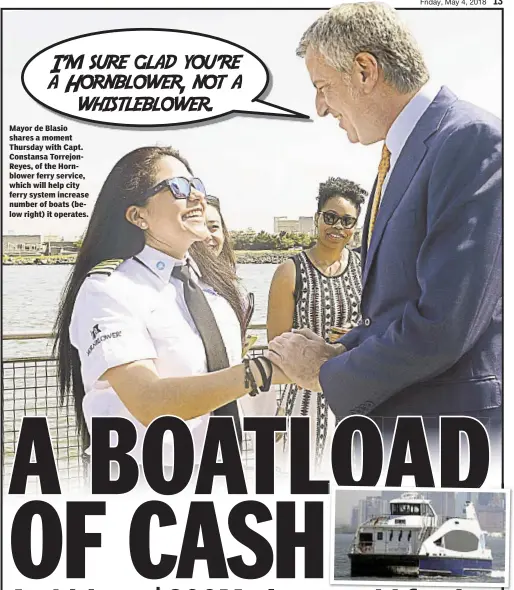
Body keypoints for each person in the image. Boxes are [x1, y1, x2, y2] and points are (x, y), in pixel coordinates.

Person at [268, 3, 502, 440]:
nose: (320, 108)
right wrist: (340, 348)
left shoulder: (470, 141)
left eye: (322, 87)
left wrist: (325, 371)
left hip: (449, 435)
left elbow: (444, 325)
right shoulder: (402, 155)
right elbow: (392, 312)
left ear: (364, 71)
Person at [53, 146, 284, 468]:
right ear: (138, 215)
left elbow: (221, 378)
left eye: (197, 186)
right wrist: (267, 370)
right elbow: (150, 402)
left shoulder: (212, 288)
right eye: (178, 188)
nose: (197, 199)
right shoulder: (108, 290)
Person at [267, 177, 365, 468]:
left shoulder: (366, 266)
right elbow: (277, 345)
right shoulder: (290, 271)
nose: (337, 227)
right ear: (318, 218)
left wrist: (353, 337)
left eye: (347, 221)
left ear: (355, 227)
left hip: (357, 393)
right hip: (305, 400)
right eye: (330, 217)